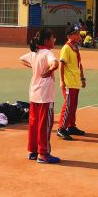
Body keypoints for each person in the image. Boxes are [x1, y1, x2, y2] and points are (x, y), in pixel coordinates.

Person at [20, 29, 61, 164]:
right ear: (46, 40)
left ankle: (33, 151)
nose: (54, 40)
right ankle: (43, 154)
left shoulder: (34, 53)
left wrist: (33, 66)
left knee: (34, 123)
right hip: (45, 95)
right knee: (45, 125)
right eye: (52, 38)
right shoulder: (47, 53)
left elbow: (21, 59)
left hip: (34, 93)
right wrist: (50, 70)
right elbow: (55, 63)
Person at [57, 25, 86, 140]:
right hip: (68, 82)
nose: (79, 35)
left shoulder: (76, 47)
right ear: (70, 36)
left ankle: (71, 126)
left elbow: (79, 64)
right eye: (76, 34)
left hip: (75, 81)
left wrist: (82, 78)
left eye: (78, 33)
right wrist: (61, 80)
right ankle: (61, 128)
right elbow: (61, 64)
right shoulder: (66, 48)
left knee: (73, 105)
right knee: (68, 105)